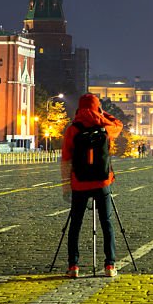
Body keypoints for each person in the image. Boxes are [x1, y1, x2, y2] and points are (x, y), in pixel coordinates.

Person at [61, 93, 124, 278]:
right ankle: (110, 265)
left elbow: (65, 160)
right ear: (98, 107)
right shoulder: (105, 126)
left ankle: (73, 266)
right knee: (107, 223)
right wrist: (102, 114)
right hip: (102, 181)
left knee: (75, 225)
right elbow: (119, 125)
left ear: (79, 108)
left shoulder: (73, 128)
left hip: (79, 183)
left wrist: (66, 188)